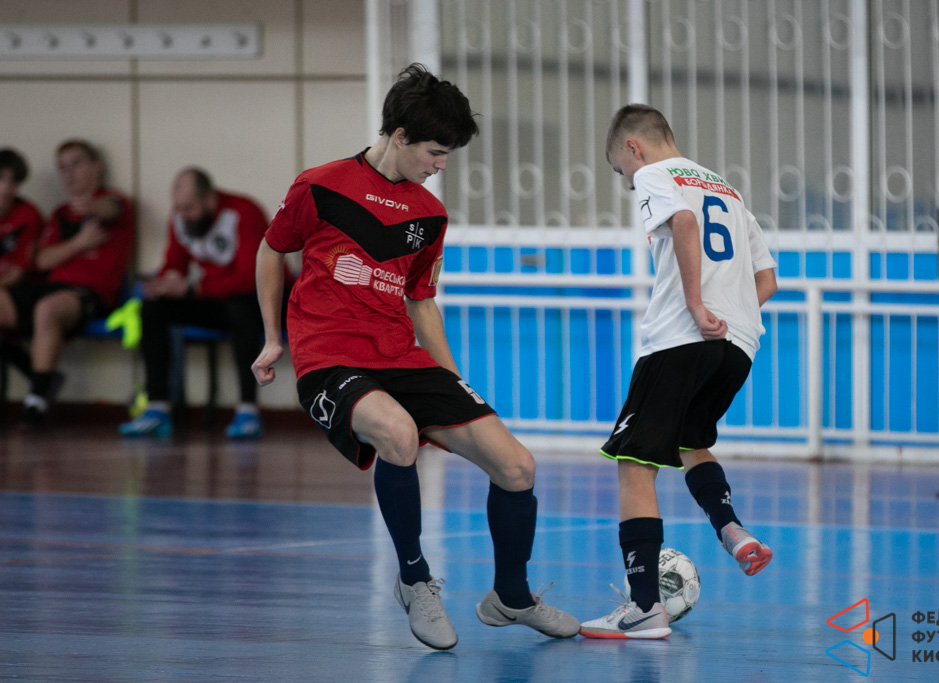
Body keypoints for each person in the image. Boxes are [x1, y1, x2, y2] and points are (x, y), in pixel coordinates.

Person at [251, 63, 579, 650]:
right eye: (435, 152)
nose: (441, 165)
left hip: (401, 357)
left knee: (517, 466)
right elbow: (271, 249)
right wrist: (273, 337)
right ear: (400, 136)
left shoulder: (430, 214)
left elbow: (422, 302)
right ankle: (415, 579)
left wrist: (450, 380)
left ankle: (510, 596)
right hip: (330, 358)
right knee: (398, 435)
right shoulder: (320, 185)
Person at [579, 104, 778, 640]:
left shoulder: (654, 174)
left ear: (633, 147)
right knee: (692, 440)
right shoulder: (727, 190)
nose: (628, 182)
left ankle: (644, 608)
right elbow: (767, 278)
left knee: (633, 462)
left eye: (620, 170)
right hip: (737, 347)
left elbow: (684, 223)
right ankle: (731, 529)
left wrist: (695, 305)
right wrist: (730, 316)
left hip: (680, 339)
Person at [119, 168, 273, 439]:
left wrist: (192, 288)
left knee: (241, 307)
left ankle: (248, 411)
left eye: (189, 208)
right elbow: (175, 263)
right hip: (214, 298)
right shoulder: (181, 218)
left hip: (264, 300)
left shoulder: (244, 212)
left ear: (210, 199)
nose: (182, 215)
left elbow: (252, 279)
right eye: (178, 208)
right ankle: (156, 408)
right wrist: (165, 283)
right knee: (154, 308)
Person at [0, 139, 134, 425]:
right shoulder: (61, 213)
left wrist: (94, 207)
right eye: (63, 168)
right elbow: (42, 260)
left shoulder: (116, 201)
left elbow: (112, 208)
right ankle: (38, 377)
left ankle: (36, 402)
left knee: (47, 308)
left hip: (90, 295)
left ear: (96, 167)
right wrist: (78, 244)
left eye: (76, 164)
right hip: (50, 289)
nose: (69, 174)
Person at [0, 148, 45, 378]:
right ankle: (41, 380)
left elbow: (19, 274)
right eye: (1, 179)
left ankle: (40, 380)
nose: (6, 189)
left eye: (14, 181)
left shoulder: (28, 215)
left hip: (26, 294)